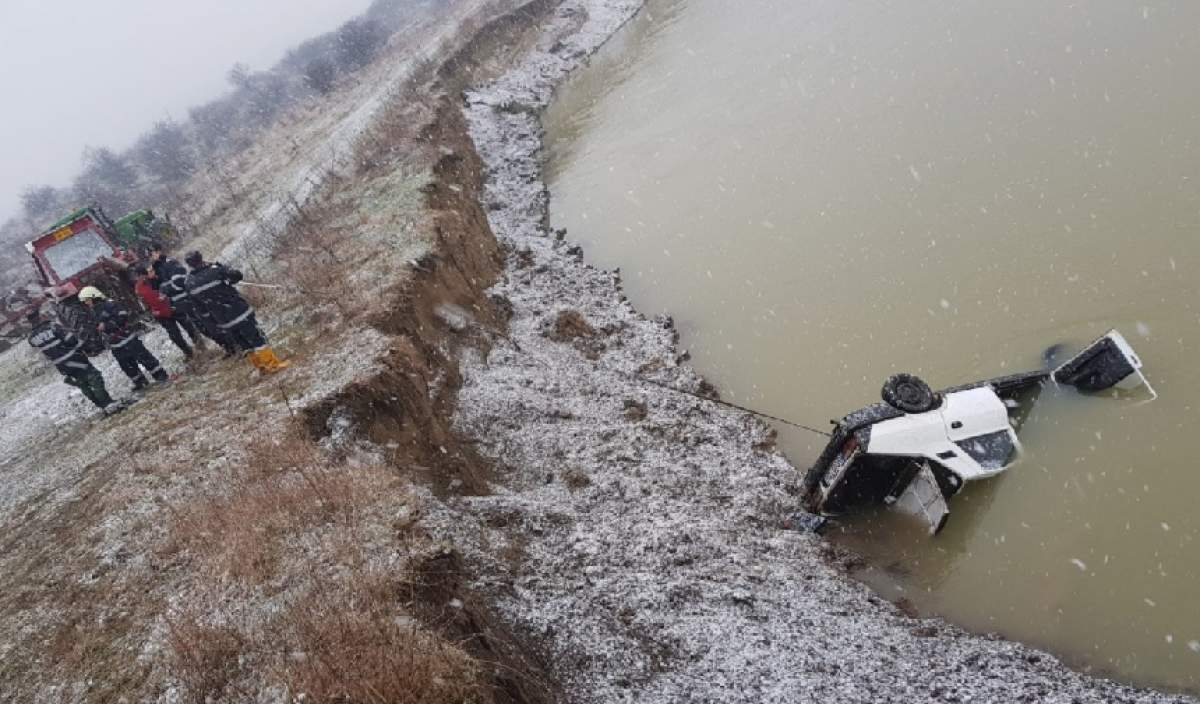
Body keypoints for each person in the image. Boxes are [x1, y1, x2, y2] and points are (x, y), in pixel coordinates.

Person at [184, 251, 289, 373]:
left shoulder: (189, 283)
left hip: (223, 320)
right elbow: (237, 276)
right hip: (239, 312)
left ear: (189, 264)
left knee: (243, 343)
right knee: (257, 339)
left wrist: (213, 324)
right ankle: (272, 364)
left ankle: (261, 367)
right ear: (201, 258)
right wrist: (221, 267)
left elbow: (199, 308)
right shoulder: (215, 270)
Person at [26, 308, 124, 415]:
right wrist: (82, 345)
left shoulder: (31, 337)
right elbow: (70, 340)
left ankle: (101, 406)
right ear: (39, 316)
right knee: (94, 378)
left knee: (83, 384)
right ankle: (108, 404)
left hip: (62, 365)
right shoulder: (53, 327)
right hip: (74, 358)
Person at [78, 286, 170, 391]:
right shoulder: (93, 312)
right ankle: (140, 382)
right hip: (115, 344)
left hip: (127, 338)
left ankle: (160, 375)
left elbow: (122, 317)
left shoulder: (111, 305)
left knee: (144, 358)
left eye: (87, 300)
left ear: (94, 297)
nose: (86, 303)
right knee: (127, 365)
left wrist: (107, 326)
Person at [132, 264, 201, 359]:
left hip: (172, 307)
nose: (139, 278)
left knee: (188, 326)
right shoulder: (138, 288)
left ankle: (199, 345)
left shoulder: (156, 278)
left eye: (140, 276)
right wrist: (151, 312)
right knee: (175, 335)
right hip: (161, 314)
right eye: (138, 277)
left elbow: (170, 288)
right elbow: (143, 303)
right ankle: (188, 352)